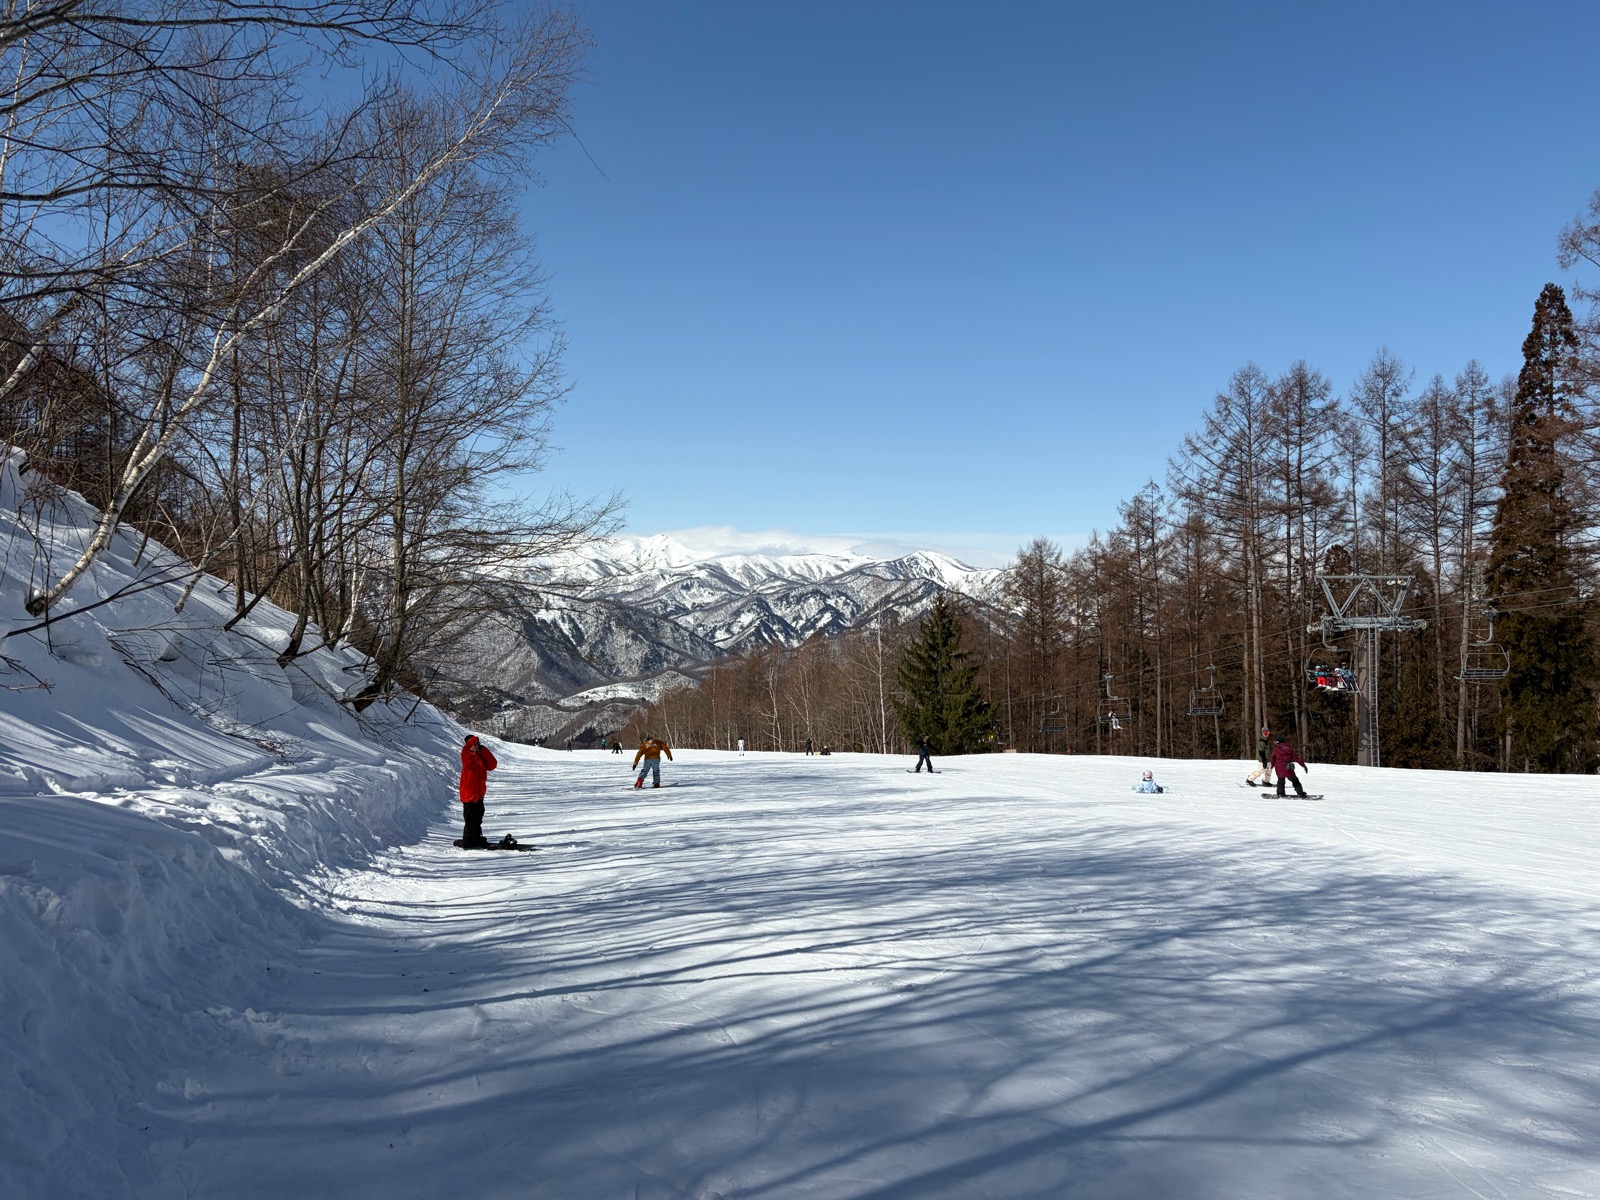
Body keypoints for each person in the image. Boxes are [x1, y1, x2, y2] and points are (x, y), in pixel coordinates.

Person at [458, 733, 498, 848]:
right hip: (469, 794)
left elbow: (492, 765)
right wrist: (473, 743)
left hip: (479, 794)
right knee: (470, 820)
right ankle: (469, 843)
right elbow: (467, 748)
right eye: (473, 744)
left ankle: (476, 839)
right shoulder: (466, 754)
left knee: (478, 818)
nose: (476, 746)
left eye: (477, 744)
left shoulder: (479, 756)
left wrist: (483, 750)